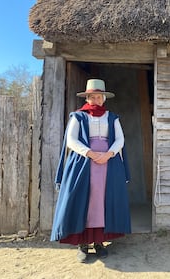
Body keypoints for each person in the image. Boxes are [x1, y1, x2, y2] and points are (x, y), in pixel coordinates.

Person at [50, 79, 131, 262]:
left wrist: (109, 154)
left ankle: (100, 241)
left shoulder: (112, 117)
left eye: (99, 96)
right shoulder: (78, 116)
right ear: (87, 97)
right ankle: (84, 244)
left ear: (104, 98)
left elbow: (120, 140)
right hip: (84, 163)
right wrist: (90, 153)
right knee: (85, 199)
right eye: (92, 96)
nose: (96, 99)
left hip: (109, 164)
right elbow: (71, 140)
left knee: (103, 200)